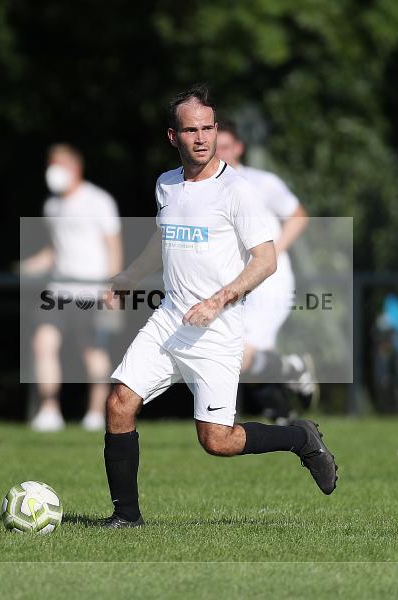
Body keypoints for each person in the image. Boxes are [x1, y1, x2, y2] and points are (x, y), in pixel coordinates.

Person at [99, 85, 337, 528]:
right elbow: (162, 238)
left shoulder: (238, 191)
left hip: (217, 328)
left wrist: (217, 300)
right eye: (192, 130)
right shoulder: (166, 185)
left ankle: (299, 438)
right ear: (174, 137)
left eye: (208, 128)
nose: (203, 138)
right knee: (118, 403)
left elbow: (264, 260)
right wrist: (130, 275)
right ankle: (126, 517)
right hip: (169, 320)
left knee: (217, 441)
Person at [215, 121, 318, 422]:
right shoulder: (208, 188)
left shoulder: (262, 183)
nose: (218, 153)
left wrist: (272, 253)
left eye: (225, 146)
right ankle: (283, 414)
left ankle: (292, 368)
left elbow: (298, 216)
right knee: (247, 354)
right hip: (235, 282)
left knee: (239, 355)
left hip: (269, 282)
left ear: (238, 148)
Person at [21, 144, 122, 432]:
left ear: (75, 168)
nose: (52, 171)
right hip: (58, 291)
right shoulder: (52, 205)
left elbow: (113, 245)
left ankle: (95, 415)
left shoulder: (98, 201)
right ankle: (49, 412)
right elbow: (55, 251)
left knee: (93, 352)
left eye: (59, 164)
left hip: (92, 290)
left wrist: (113, 288)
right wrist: (27, 266)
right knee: (43, 344)